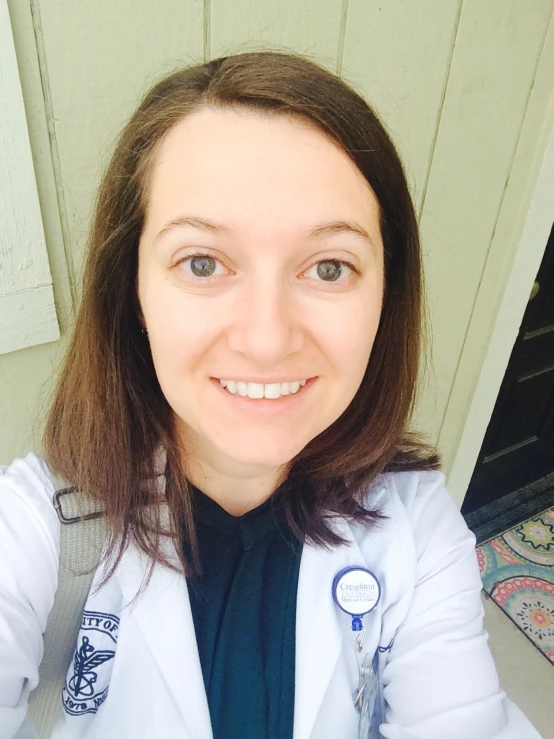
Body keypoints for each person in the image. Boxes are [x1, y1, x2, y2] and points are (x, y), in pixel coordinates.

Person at [0, 51, 542, 739]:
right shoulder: (31, 533)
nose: (266, 338)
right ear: (131, 291)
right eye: (202, 263)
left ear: (385, 296)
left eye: (328, 266)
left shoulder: (418, 525)